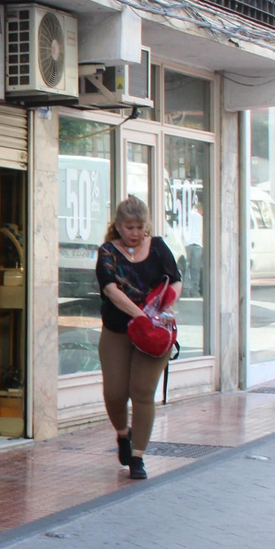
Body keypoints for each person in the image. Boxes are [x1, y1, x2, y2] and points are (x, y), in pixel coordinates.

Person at [96, 195, 181, 481]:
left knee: (142, 392)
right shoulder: (108, 251)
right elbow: (110, 288)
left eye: (139, 227)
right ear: (118, 226)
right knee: (115, 393)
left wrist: (165, 305)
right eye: (128, 227)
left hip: (154, 335)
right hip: (118, 329)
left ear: (147, 226)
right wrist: (139, 315)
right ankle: (123, 433)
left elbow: (176, 280)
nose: (134, 233)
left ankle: (138, 457)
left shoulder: (157, 248)